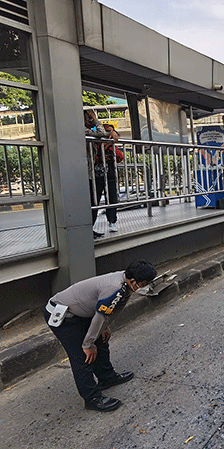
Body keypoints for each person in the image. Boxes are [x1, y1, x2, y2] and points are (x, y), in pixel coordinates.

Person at [43, 260, 157, 412]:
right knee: (82, 356)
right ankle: (92, 398)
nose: (145, 286)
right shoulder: (114, 287)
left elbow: (108, 311)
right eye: (144, 283)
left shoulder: (126, 283)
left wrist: (104, 328)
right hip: (64, 316)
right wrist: (88, 344)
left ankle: (107, 377)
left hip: (83, 313)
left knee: (102, 341)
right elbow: (100, 317)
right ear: (133, 280)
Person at [84, 110, 116, 238]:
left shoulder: (87, 131)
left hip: (89, 171)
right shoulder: (84, 131)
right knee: (91, 201)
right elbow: (102, 133)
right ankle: (87, 229)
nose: (90, 121)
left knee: (93, 201)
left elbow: (109, 134)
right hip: (85, 171)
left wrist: (112, 131)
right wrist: (96, 120)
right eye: (89, 119)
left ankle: (90, 228)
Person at [95, 123, 120, 233]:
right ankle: (92, 223)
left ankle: (112, 221)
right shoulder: (96, 142)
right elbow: (95, 157)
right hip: (98, 173)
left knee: (112, 197)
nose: (109, 134)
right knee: (96, 198)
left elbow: (120, 157)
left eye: (110, 132)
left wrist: (111, 148)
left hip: (110, 172)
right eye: (107, 132)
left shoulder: (113, 145)